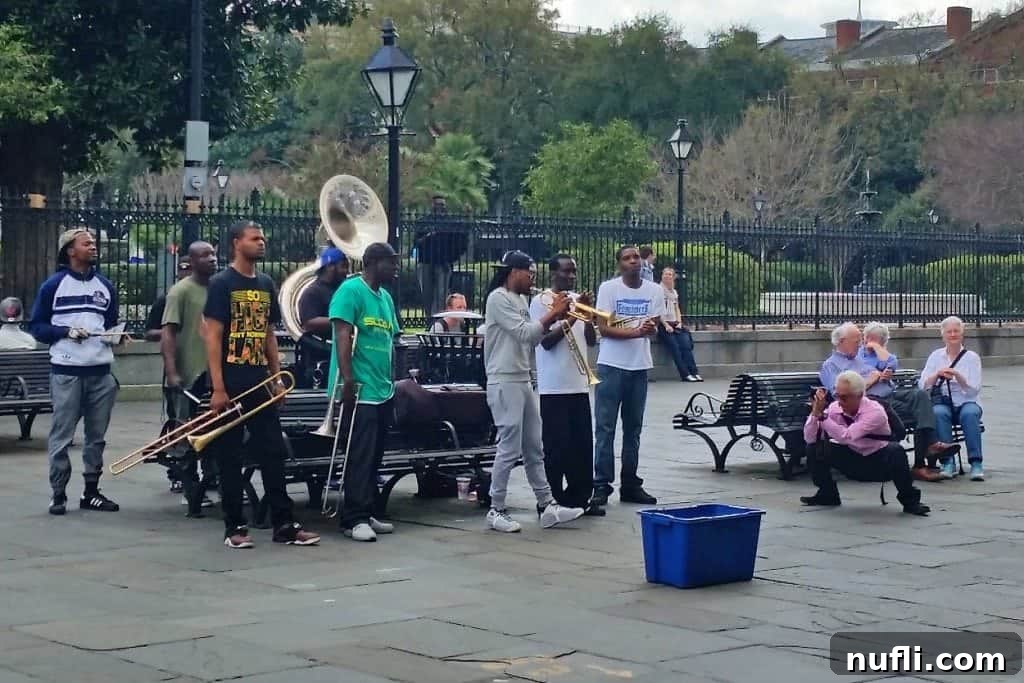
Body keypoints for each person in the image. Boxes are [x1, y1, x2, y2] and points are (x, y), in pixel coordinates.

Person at [202, 220, 320, 549]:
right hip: (231, 377)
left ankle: (284, 523)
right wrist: (218, 387)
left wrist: (276, 376)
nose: (262, 242)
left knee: (273, 451)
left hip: (259, 380)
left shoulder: (266, 283)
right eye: (255, 238)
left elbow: (268, 334)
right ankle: (234, 526)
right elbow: (212, 336)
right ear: (236, 242)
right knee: (229, 455)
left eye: (263, 237)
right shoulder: (221, 283)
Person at [482, 250, 584, 533]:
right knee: (509, 446)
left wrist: (561, 318)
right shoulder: (498, 298)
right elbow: (525, 334)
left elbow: (535, 339)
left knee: (533, 447)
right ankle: (496, 508)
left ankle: (546, 504)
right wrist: (554, 313)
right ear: (514, 272)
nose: (533, 280)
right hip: (504, 379)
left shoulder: (519, 299)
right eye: (531, 274)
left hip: (522, 377)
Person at [30, 229, 122, 515]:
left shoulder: (105, 286)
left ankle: (91, 492)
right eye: (87, 244)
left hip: (100, 371)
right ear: (70, 250)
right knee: (62, 434)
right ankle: (58, 493)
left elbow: (110, 323)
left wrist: (115, 336)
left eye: (93, 243)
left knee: (97, 436)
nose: (93, 247)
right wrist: (66, 332)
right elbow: (37, 327)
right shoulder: (53, 286)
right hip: (67, 371)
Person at [326, 242, 402, 542]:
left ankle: (367, 509)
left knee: (375, 457)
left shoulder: (385, 298)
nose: (396, 268)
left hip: (382, 388)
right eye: (391, 262)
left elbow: (391, 341)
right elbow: (343, 335)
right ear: (373, 262)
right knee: (359, 455)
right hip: (360, 390)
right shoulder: (350, 291)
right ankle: (352, 518)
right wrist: (347, 380)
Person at [819, 322, 957, 483]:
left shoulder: (860, 358)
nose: (860, 343)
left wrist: (884, 376)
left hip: (889, 394)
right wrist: (867, 383)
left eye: (859, 340)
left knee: (920, 395)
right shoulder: (831, 365)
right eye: (856, 340)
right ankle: (920, 463)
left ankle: (931, 445)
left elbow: (889, 362)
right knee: (897, 409)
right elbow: (839, 395)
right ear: (841, 341)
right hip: (870, 404)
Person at [529, 254, 604, 517]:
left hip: (579, 384)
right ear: (553, 273)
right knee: (556, 445)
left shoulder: (575, 300)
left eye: (574, 272)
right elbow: (547, 341)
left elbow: (591, 340)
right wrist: (573, 316)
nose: (571, 276)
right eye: (566, 272)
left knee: (581, 445)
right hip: (554, 386)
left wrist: (588, 316)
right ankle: (554, 498)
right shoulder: (542, 302)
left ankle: (581, 497)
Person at [801, 371, 931, 516]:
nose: (839, 401)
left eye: (844, 397)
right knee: (814, 449)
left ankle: (910, 502)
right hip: (850, 457)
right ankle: (827, 493)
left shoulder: (875, 412)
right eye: (837, 396)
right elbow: (810, 438)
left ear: (859, 396)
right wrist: (814, 415)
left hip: (877, 460)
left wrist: (822, 417)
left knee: (896, 451)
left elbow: (848, 436)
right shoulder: (834, 408)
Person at [591, 246, 664, 506]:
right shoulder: (609, 289)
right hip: (611, 365)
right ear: (620, 264)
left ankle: (630, 482)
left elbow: (654, 326)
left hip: (639, 366)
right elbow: (604, 327)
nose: (633, 261)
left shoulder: (654, 290)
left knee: (633, 428)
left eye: (636, 257)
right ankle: (601, 483)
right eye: (627, 258)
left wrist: (649, 328)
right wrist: (636, 332)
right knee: (605, 427)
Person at [161, 241, 218, 505]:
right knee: (186, 431)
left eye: (214, 254)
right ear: (192, 261)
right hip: (189, 373)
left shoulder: (219, 288)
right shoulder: (180, 291)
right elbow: (168, 332)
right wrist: (172, 371)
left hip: (215, 371)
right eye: (204, 255)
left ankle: (212, 480)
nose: (212, 259)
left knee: (215, 430)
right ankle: (190, 489)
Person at [920, 315, 984, 481]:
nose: (953, 334)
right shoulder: (935, 356)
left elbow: (974, 390)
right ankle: (948, 462)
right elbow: (923, 385)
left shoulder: (972, 358)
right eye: (949, 332)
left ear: (962, 334)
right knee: (939, 413)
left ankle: (976, 462)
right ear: (943, 335)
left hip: (967, 401)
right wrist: (937, 374)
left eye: (956, 331)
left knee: (969, 414)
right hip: (943, 401)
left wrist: (957, 376)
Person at [296, 247, 350, 387]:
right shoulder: (313, 292)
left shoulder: (343, 288)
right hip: (321, 357)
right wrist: (342, 322)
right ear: (330, 267)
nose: (346, 272)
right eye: (343, 267)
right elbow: (309, 323)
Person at [414, 196, 467, 318]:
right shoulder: (424, 221)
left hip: (443, 263)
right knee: (426, 293)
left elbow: (460, 243)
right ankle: (429, 319)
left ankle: (438, 319)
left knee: (441, 294)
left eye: (442, 205)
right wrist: (428, 236)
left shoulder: (450, 223)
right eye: (437, 204)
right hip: (425, 262)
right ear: (432, 206)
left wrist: (451, 258)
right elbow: (416, 242)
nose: (440, 207)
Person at [657, 266, 702, 382]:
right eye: (665, 274)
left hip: (675, 323)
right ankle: (685, 374)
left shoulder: (674, 292)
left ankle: (694, 372)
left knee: (686, 346)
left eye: (669, 275)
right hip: (664, 325)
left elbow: (677, 308)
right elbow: (657, 310)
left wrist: (679, 322)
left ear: (673, 277)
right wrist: (666, 325)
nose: (667, 277)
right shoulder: (658, 290)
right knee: (675, 348)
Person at [145, 258, 191, 342]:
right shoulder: (165, 300)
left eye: (190, 270)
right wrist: (170, 332)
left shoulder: (207, 296)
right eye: (182, 270)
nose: (185, 274)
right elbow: (149, 333)